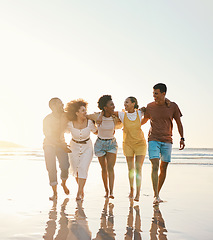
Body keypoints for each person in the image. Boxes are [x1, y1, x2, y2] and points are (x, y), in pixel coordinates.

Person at [142, 83, 185, 204]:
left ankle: (157, 193)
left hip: (167, 141)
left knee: (163, 167)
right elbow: (144, 120)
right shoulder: (150, 106)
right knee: (154, 165)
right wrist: (132, 125)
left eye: (156, 93)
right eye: (153, 93)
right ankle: (156, 195)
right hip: (153, 139)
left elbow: (178, 123)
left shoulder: (173, 106)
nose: (154, 96)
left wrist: (182, 138)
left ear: (163, 93)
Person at [65, 99, 97, 201]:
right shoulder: (70, 124)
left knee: (83, 168)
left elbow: (96, 132)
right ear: (76, 113)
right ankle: (81, 188)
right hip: (73, 148)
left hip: (87, 147)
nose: (85, 112)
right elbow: (62, 131)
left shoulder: (90, 122)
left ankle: (79, 192)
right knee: (76, 170)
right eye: (83, 110)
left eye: (85, 110)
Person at [93, 95, 121, 199]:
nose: (113, 106)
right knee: (103, 168)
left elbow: (128, 114)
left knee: (110, 168)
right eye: (111, 104)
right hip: (100, 144)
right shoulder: (97, 116)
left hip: (111, 144)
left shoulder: (115, 116)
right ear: (105, 107)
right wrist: (100, 115)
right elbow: (85, 116)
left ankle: (112, 192)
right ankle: (106, 190)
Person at [43, 98, 71, 201]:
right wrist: (62, 145)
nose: (62, 104)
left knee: (65, 166)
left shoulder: (65, 116)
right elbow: (49, 137)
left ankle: (63, 184)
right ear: (53, 106)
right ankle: (54, 193)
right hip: (49, 144)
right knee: (51, 168)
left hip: (61, 144)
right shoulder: (47, 119)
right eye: (60, 103)